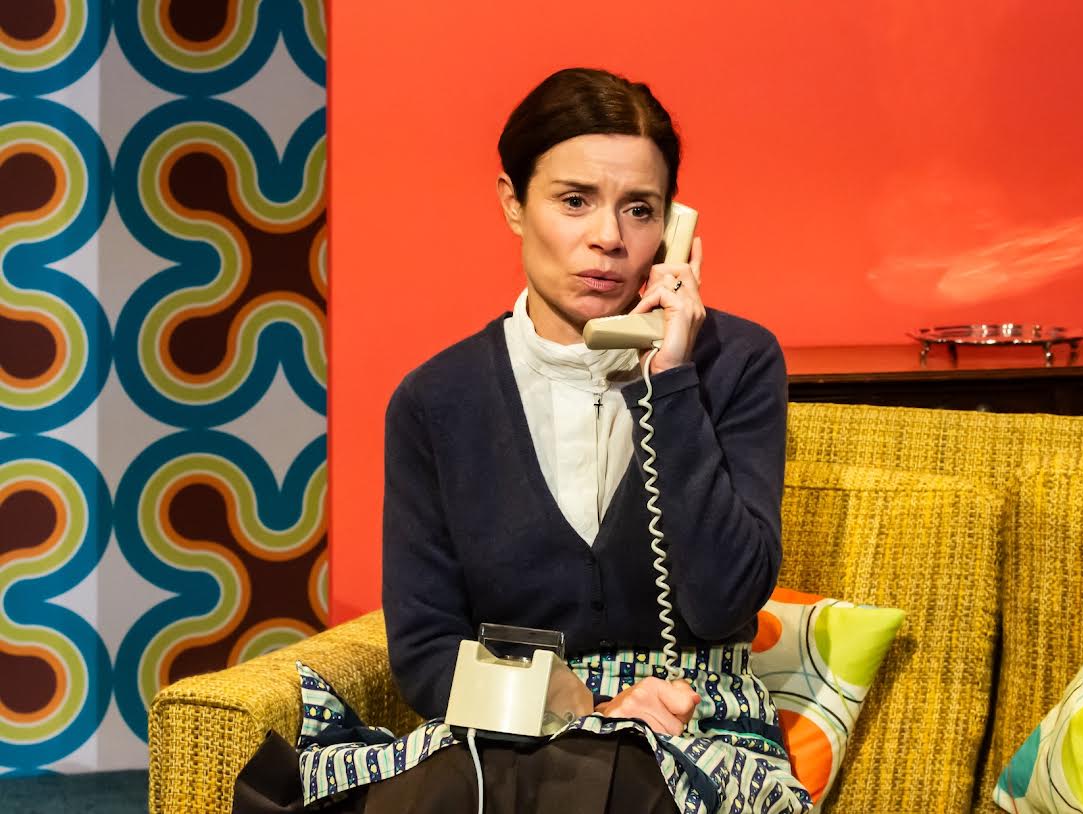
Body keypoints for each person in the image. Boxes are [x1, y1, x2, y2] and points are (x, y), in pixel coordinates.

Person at [242, 67, 812, 814]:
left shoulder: (735, 363)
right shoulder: (436, 400)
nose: (608, 238)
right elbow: (425, 649)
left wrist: (670, 382)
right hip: (510, 727)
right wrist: (577, 706)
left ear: (674, 228)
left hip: (692, 724)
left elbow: (720, 600)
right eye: (574, 201)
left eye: (640, 210)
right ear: (513, 203)